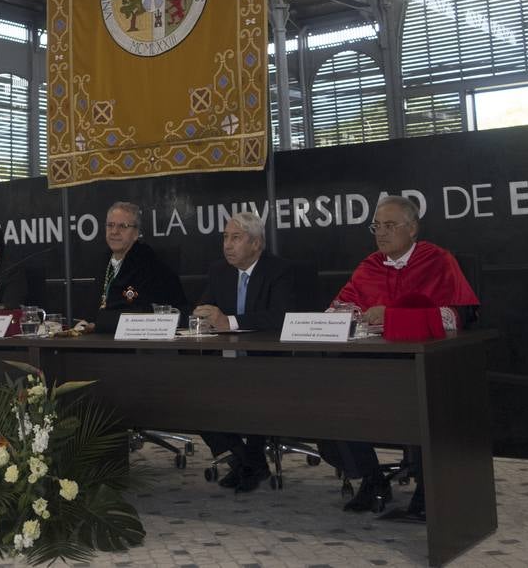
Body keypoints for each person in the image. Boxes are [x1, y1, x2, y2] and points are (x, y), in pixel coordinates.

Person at [318, 195, 480, 517]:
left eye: (390, 226)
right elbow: (334, 310)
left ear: (413, 228)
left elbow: (454, 317)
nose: (381, 233)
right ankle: (372, 479)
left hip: (421, 363)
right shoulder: (368, 267)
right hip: (371, 362)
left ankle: (427, 488)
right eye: (376, 226)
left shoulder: (437, 260)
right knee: (333, 393)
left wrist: (390, 315)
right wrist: (347, 316)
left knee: (421, 398)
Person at [192, 210, 295, 493]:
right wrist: (202, 317)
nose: (227, 245)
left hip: (266, 363)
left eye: (235, 238)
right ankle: (242, 460)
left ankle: (250, 462)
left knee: (251, 393)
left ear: (256, 244)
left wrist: (230, 321)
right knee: (190, 392)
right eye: (225, 237)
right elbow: (204, 309)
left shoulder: (279, 270)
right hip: (225, 362)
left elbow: (279, 316)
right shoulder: (219, 271)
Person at [80, 201, 187, 334]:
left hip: (137, 347)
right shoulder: (103, 261)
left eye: (123, 226)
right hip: (99, 342)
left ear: (136, 233)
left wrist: (99, 323)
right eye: (110, 225)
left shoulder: (149, 264)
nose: (114, 231)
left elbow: (140, 313)